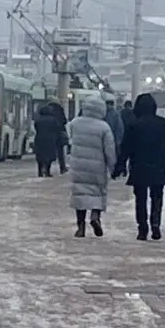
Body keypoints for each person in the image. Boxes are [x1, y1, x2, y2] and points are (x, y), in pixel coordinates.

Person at [113, 93, 165, 241]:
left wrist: (119, 167)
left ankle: (142, 228)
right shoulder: (163, 124)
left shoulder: (134, 125)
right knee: (157, 197)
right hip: (158, 166)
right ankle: (155, 223)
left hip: (139, 167)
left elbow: (126, 148)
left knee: (140, 199)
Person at [67, 96, 118, 237]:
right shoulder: (104, 127)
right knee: (98, 193)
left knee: (79, 195)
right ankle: (95, 217)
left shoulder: (75, 123)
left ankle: (80, 227)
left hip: (78, 166)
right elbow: (109, 149)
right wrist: (112, 166)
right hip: (97, 167)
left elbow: (69, 138)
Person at [32, 103, 61, 177]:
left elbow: (36, 127)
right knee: (49, 156)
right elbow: (57, 128)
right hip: (50, 140)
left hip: (39, 139)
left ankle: (40, 171)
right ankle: (47, 171)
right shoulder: (53, 120)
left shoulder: (38, 119)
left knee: (40, 156)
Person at [46, 98, 69, 174]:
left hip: (49, 133)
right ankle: (62, 168)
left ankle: (46, 168)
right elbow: (64, 121)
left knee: (49, 151)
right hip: (59, 133)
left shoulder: (46, 109)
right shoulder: (60, 109)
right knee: (60, 152)